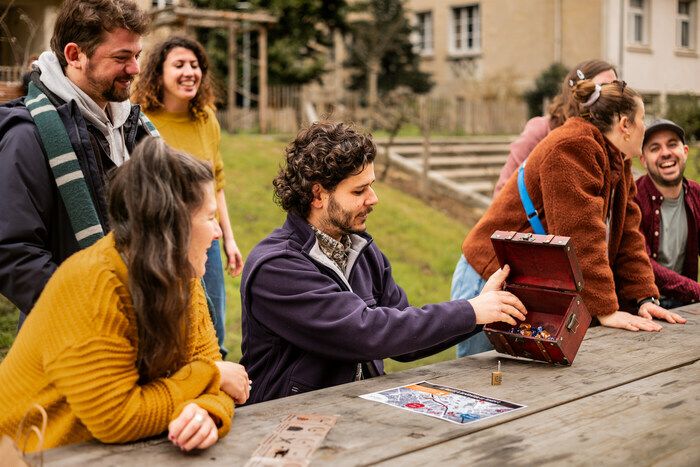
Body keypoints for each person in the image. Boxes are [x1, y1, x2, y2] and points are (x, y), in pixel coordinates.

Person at [239, 121, 527, 404]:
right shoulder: (277, 267)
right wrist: (470, 311)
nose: (373, 199)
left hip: (360, 407)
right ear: (318, 195)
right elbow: (365, 332)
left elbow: (405, 341)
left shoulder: (361, 250)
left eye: (371, 187)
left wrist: (482, 309)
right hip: (286, 419)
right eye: (358, 191)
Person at [0, 137, 250, 452]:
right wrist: (209, 376)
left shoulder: (179, 273)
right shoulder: (91, 284)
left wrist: (206, 413)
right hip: (23, 453)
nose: (218, 232)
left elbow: (217, 377)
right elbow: (118, 418)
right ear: (170, 229)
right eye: (209, 217)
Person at [453, 75, 687, 357]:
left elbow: (627, 235)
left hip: (524, 277)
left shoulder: (615, 158)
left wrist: (644, 297)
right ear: (625, 125)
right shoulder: (573, 147)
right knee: (478, 379)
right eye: (642, 119)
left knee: (517, 383)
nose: (645, 128)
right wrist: (606, 309)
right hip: (489, 277)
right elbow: (579, 236)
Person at [0, 0, 156, 328]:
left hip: (139, 325)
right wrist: (88, 314)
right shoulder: (28, 135)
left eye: (137, 55)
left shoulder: (134, 126)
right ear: (74, 55)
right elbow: (14, 252)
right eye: (121, 57)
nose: (135, 69)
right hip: (72, 336)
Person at [132, 36, 243, 356]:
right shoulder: (140, 119)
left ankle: (215, 395)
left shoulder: (206, 118)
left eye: (195, 65)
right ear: (158, 74)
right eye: (178, 65)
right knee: (167, 329)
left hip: (205, 241)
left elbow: (216, 183)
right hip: (161, 241)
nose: (189, 72)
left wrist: (229, 239)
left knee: (214, 330)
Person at [493, 60, 617, 197]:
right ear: (579, 90)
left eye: (616, 89)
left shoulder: (611, 139)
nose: (611, 96)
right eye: (602, 88)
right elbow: (504, 190)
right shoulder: (541, 129)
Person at [636, 119, 700, 308]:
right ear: (643, 160)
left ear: (685, 152)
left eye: (672, 144)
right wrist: (696, 290)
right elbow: (643, 262)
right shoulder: (633, 199)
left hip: (685, 303)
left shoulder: (697, 194)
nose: (665, 153)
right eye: (655, 148)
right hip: (642, 306)